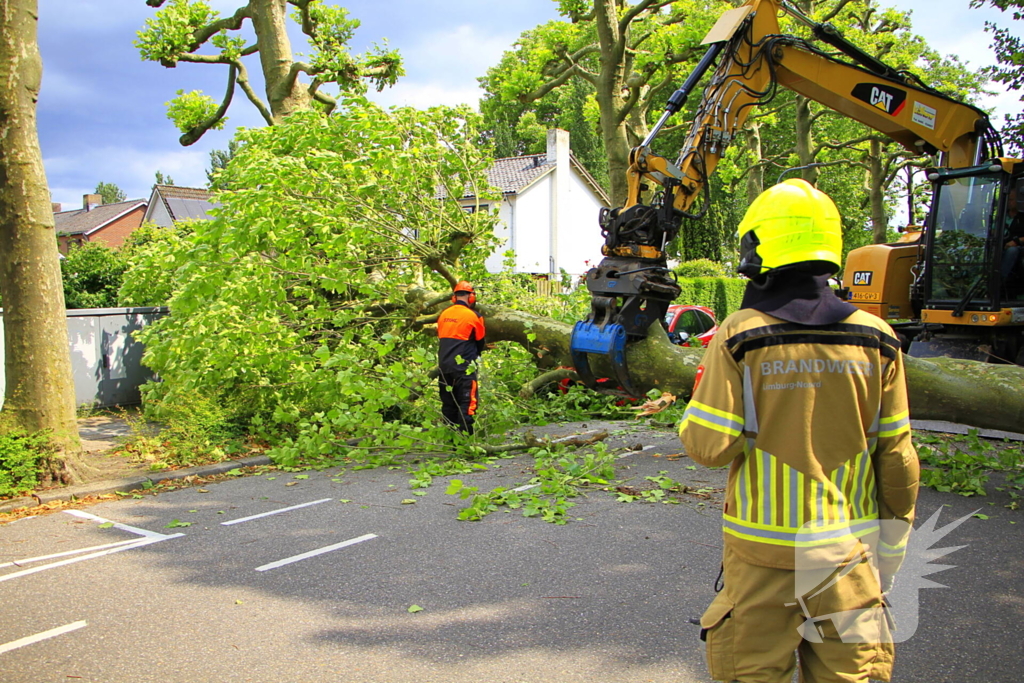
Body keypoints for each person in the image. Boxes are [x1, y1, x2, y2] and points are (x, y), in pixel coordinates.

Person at [679, 179, 919, 683]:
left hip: (761, 554)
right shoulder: (879, 339)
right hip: (847, 555)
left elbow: (709, 447)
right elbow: (897, 457)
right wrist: (892, 550)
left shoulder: (741, 335)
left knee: (753, 673)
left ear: (759, 248)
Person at [437, 281, 486, 435]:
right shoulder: (474, 316)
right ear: (471, 297)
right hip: (464, 368)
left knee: (449, 404)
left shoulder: (443, 315)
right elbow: (480, 341)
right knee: (468, 404)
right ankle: (465, 441)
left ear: (454, 297)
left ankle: (451, 440)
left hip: (444, 366)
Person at [1001, 180, 1023, 281]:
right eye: (1008, 200)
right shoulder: (1001, 215)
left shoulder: (1022, 216)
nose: (1009, 202)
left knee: (1012, 251)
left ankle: (999, 280)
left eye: (1011, 200)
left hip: (1018, 246)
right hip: (1000, 244)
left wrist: (1016, 242)